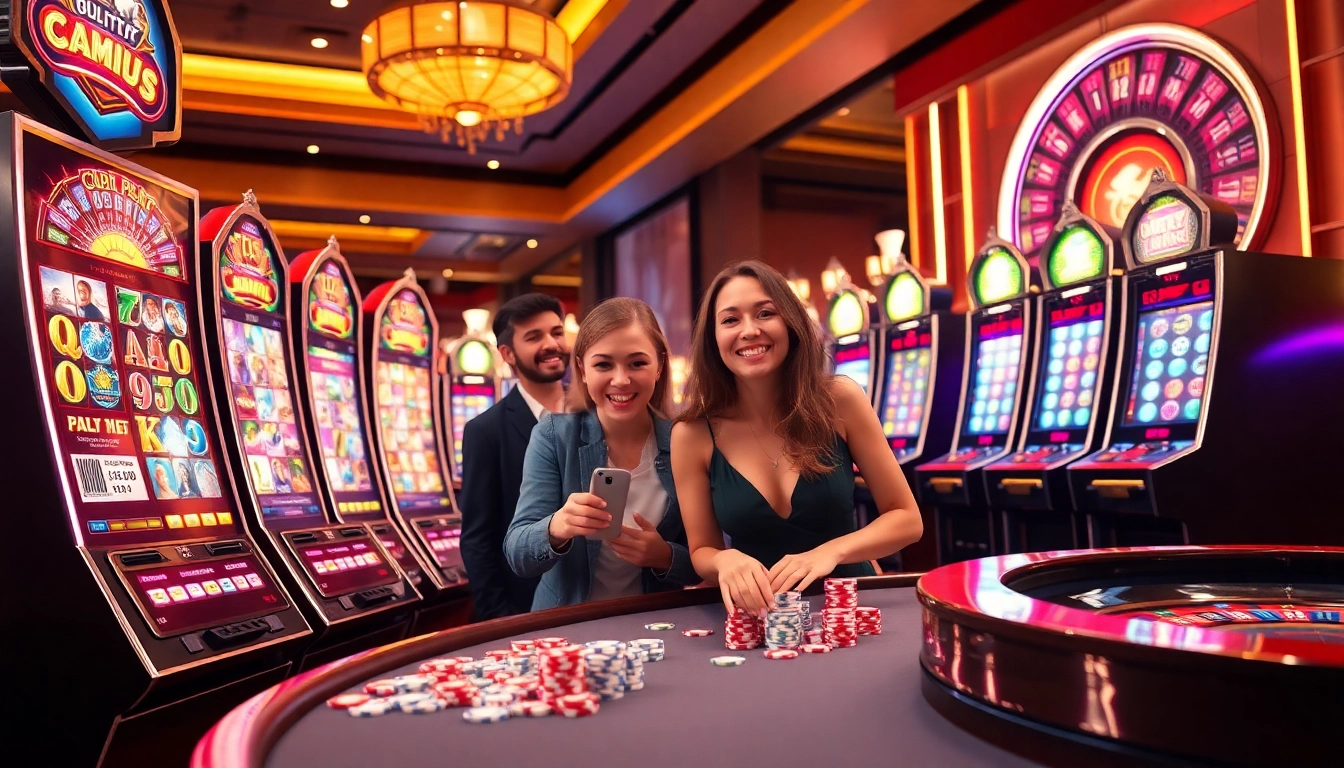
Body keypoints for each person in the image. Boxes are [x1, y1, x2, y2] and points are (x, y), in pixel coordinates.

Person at [671, 261, 923, 615]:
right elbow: (702, 551)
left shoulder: (840, 400)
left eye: (765, 313)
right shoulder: (692, 434)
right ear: (713, 339)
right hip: (764, 616)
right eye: (730, 320)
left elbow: (907, 519)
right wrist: (725, 561)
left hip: (852, 606)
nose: (749, 331)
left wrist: (830, 551)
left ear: (789, 321)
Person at [504, 297, 698, 609]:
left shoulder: (684, 440)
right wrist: (557, 526)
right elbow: (517, 554)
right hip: (569, 628)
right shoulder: (554, 436)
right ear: (582, 367)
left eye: (637, 363)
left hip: (655, 628)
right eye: (603, 364)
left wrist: (665, 557)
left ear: (660, 365)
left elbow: (712, 555)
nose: (621, 380)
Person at [460, 294, 569, 620]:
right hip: (524, 610)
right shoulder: (485, 430)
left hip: (597, 602)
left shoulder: (597, 414)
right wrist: (500, 617)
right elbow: (478, 538)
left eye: (557, 332)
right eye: (534, 337)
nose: (551, 344)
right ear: (507, 353)